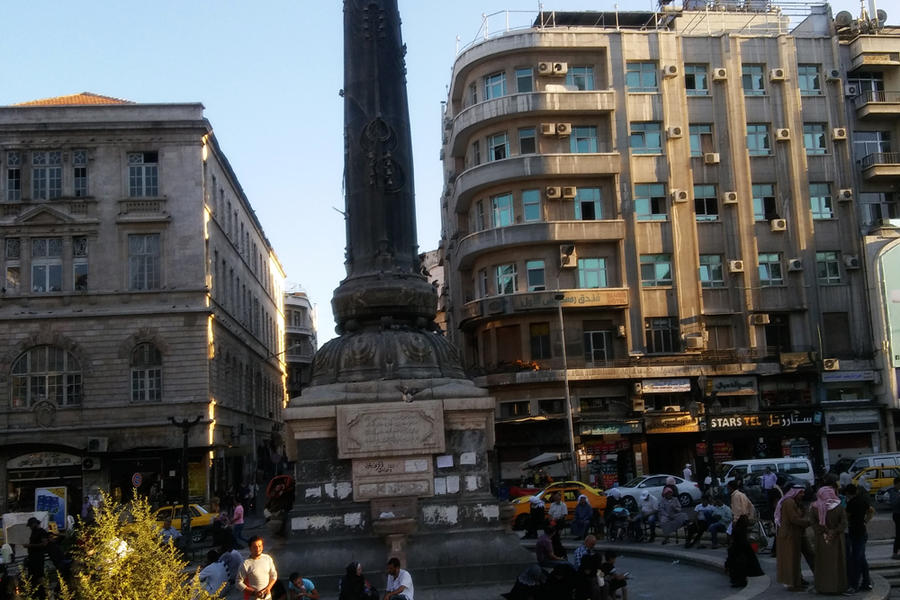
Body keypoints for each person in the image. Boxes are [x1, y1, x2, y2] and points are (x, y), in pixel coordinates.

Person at [811, 485, 848, 594]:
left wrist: (824, 531)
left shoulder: (814, 507)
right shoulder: (839, 506)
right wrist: (834, 531)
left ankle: (822, 587)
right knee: (837, 563)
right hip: (836, 539)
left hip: (822, 540)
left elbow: (813, 523)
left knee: (823, 563)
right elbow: (844, 523)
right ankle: (838, 587)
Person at [774, 485, 809, 591]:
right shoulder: (789, 502)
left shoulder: (795, 502)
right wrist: (809, 522)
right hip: (789, 535)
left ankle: (797, 581)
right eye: (801, 493)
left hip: (793, 534)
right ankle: (793, 584)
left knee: (795, 559)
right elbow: (794, 518)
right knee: (790, 560)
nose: (802, 495)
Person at [845, 483, 874, 593]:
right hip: (862, 531)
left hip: (855, 532)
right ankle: (866, 583)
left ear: (848, 493)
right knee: (861, 558)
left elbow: (846, 517)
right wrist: (865, 521)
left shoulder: (851, 503)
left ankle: (854, 585)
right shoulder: (862, 500)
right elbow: (871, 511)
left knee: (856, 559)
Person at [726, 515, 764, 588]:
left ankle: (737, 581)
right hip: (739, 549)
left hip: (737, 549)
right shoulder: (740, 529)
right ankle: (739, 581)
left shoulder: (738, 527)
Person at [237, 536, 278, 600]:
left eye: (259, 546)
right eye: (255, 547)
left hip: (268, 597)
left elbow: (274, 575)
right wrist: (254, 592)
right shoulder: (245, 564)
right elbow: (238, 583)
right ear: (250, 548)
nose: (258, 549)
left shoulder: (268, 558)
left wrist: (268, 588)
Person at [23, 517, 49, 599]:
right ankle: (35, 594)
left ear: (34, 524)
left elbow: (44, 544)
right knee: (32, 577)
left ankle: (43, 594)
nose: (30, 527)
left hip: (38, 557)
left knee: (39, 576)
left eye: (30, 525)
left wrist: (30, 546)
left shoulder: (42, 532)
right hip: (32, 558)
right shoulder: (33, 532)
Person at [887, 477, 900, 560]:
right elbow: (894, 503)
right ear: (896, 484)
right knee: (898, 534)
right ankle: (895, 553)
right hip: (897, 515)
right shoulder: (893, 491)